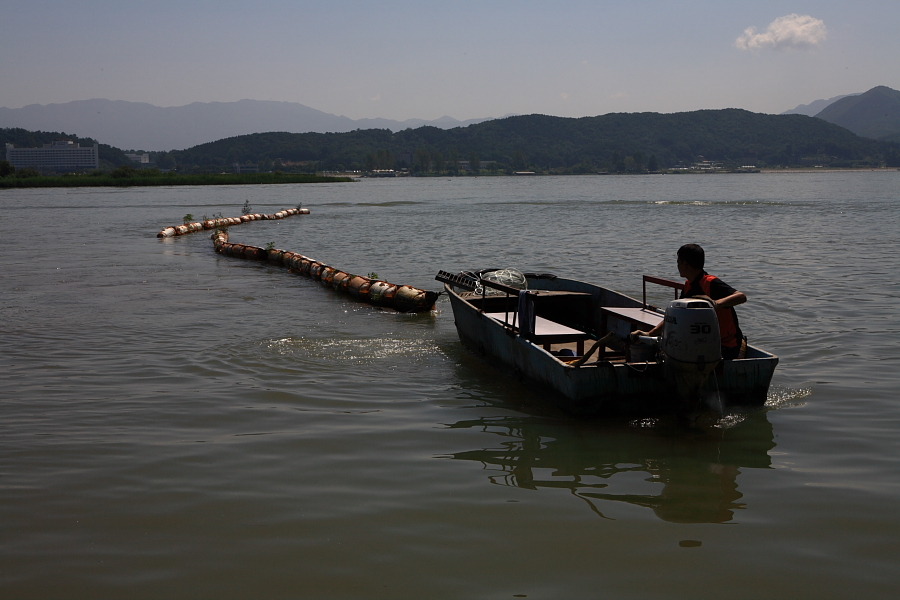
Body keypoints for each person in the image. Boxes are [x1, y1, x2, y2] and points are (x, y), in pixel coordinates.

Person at [633, 243, 747, 359]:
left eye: (678, 262)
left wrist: (716, 304)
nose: (677, 266)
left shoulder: (711, 283)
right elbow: (674, 317)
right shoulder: (688, 286)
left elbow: (741, 296)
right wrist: (649, 334)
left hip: (726, 346)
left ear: (685, 264)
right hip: (703, 343)